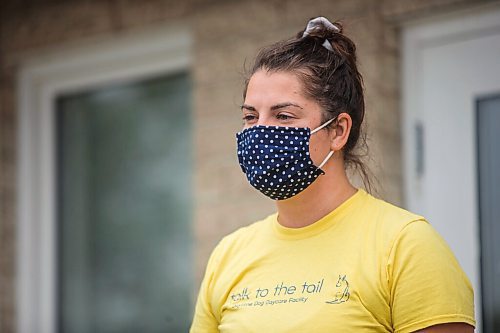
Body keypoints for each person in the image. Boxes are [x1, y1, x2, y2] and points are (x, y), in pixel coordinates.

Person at [190, 17, 475, 332]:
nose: (261, 132)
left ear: (338, 130)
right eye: (250, 116)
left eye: (283, 116)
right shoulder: (229, 255)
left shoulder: (405, 244)